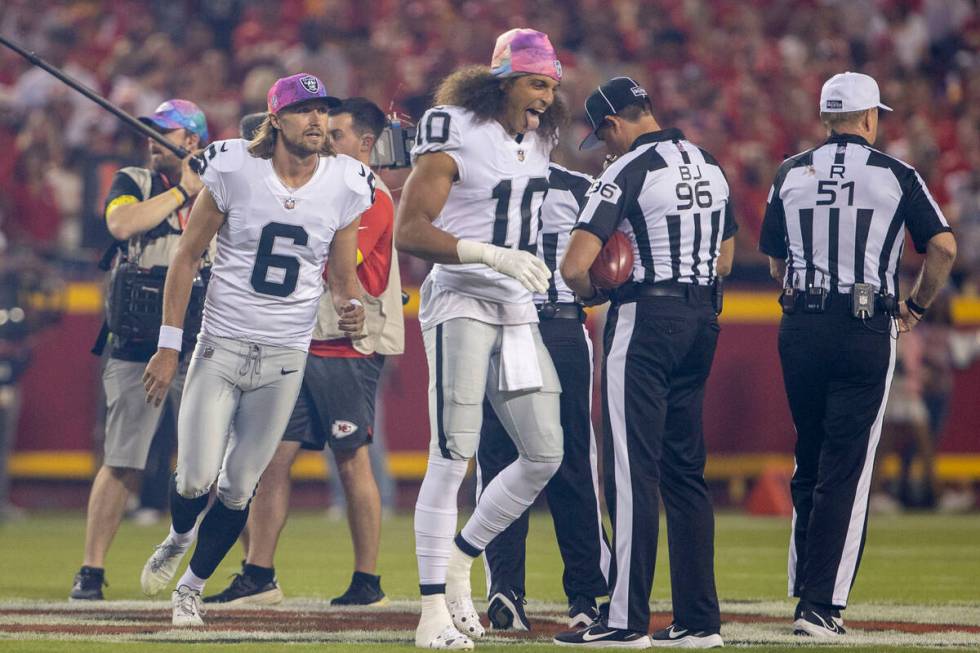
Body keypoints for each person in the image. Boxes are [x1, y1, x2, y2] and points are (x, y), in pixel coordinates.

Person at [138, 73, 372, 627]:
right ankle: (178, 535)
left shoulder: (345, 182)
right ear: (276, 120)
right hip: (221, 344)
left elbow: (342, 278)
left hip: (285, 355)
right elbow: (186, 257)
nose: (317, 120)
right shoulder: (234, 168)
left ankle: (191, 589)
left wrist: (352, 305)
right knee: (195, 477)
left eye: (323, 111)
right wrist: (169, 345)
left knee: (241, 484)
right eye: (304, 110)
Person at [757, 72, 957, 637]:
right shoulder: (897, 175)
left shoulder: (790, 172)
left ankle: (805, 590)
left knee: (811, 459)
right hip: (863, 324)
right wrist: (915, 307)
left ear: (827, 118)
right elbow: (942, 247)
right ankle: (821, 605)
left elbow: (775, 262)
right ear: (870, 118)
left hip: (800, 326)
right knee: (848, 465)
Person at [395, 28, 567, 650]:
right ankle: (430, 613)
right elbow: (409, 230)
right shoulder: (453, 126)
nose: (545, 96)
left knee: (545, 453)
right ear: (500, 80)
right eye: (534, 82)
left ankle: (463, 558)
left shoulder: (541, 136)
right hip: (462, 298)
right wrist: (485, 253)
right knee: (452, 454)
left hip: (517, 307)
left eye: (551, 84)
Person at [557, 76, 735, 649]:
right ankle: (699, 621)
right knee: (687, 472)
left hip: (646, 322)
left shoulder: (623, 170)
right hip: (703, 317)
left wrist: (599, 290)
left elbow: (574, 264)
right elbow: (726, 257)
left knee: (631, 472)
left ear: (612, 125)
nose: (604, 149)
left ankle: (627, 619)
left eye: (603, 138)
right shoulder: (708, 162)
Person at [205, 97, 404, 607]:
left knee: (351, 457)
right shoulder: (322, 187)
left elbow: (328, 262)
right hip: (298, 339)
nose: (325, 142)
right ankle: (259, 574)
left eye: (336, 135)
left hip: (346, 345)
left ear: (364, 144)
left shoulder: (368, 194)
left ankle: (367, 580)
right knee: (272, 459)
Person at [69, 100, 211, 600]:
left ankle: (241, 572)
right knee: (123, 459)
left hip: (200, 343)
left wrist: (198, 187)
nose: (153, 139)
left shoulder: (219, 186)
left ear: (192, 141)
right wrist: (181, 190)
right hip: (137, 343)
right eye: (151, 132)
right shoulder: (134, 179)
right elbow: (122, 225)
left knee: (216, 466)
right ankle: (91, 568)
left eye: (166, 133)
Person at [477, 162, 610, 632]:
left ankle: (505, 588)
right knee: (573, 460)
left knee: (500, 462)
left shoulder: (480, 177)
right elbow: (605, 265)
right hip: (560, 326)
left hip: (501, 327)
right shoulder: (579, 186)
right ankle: (587, 593)